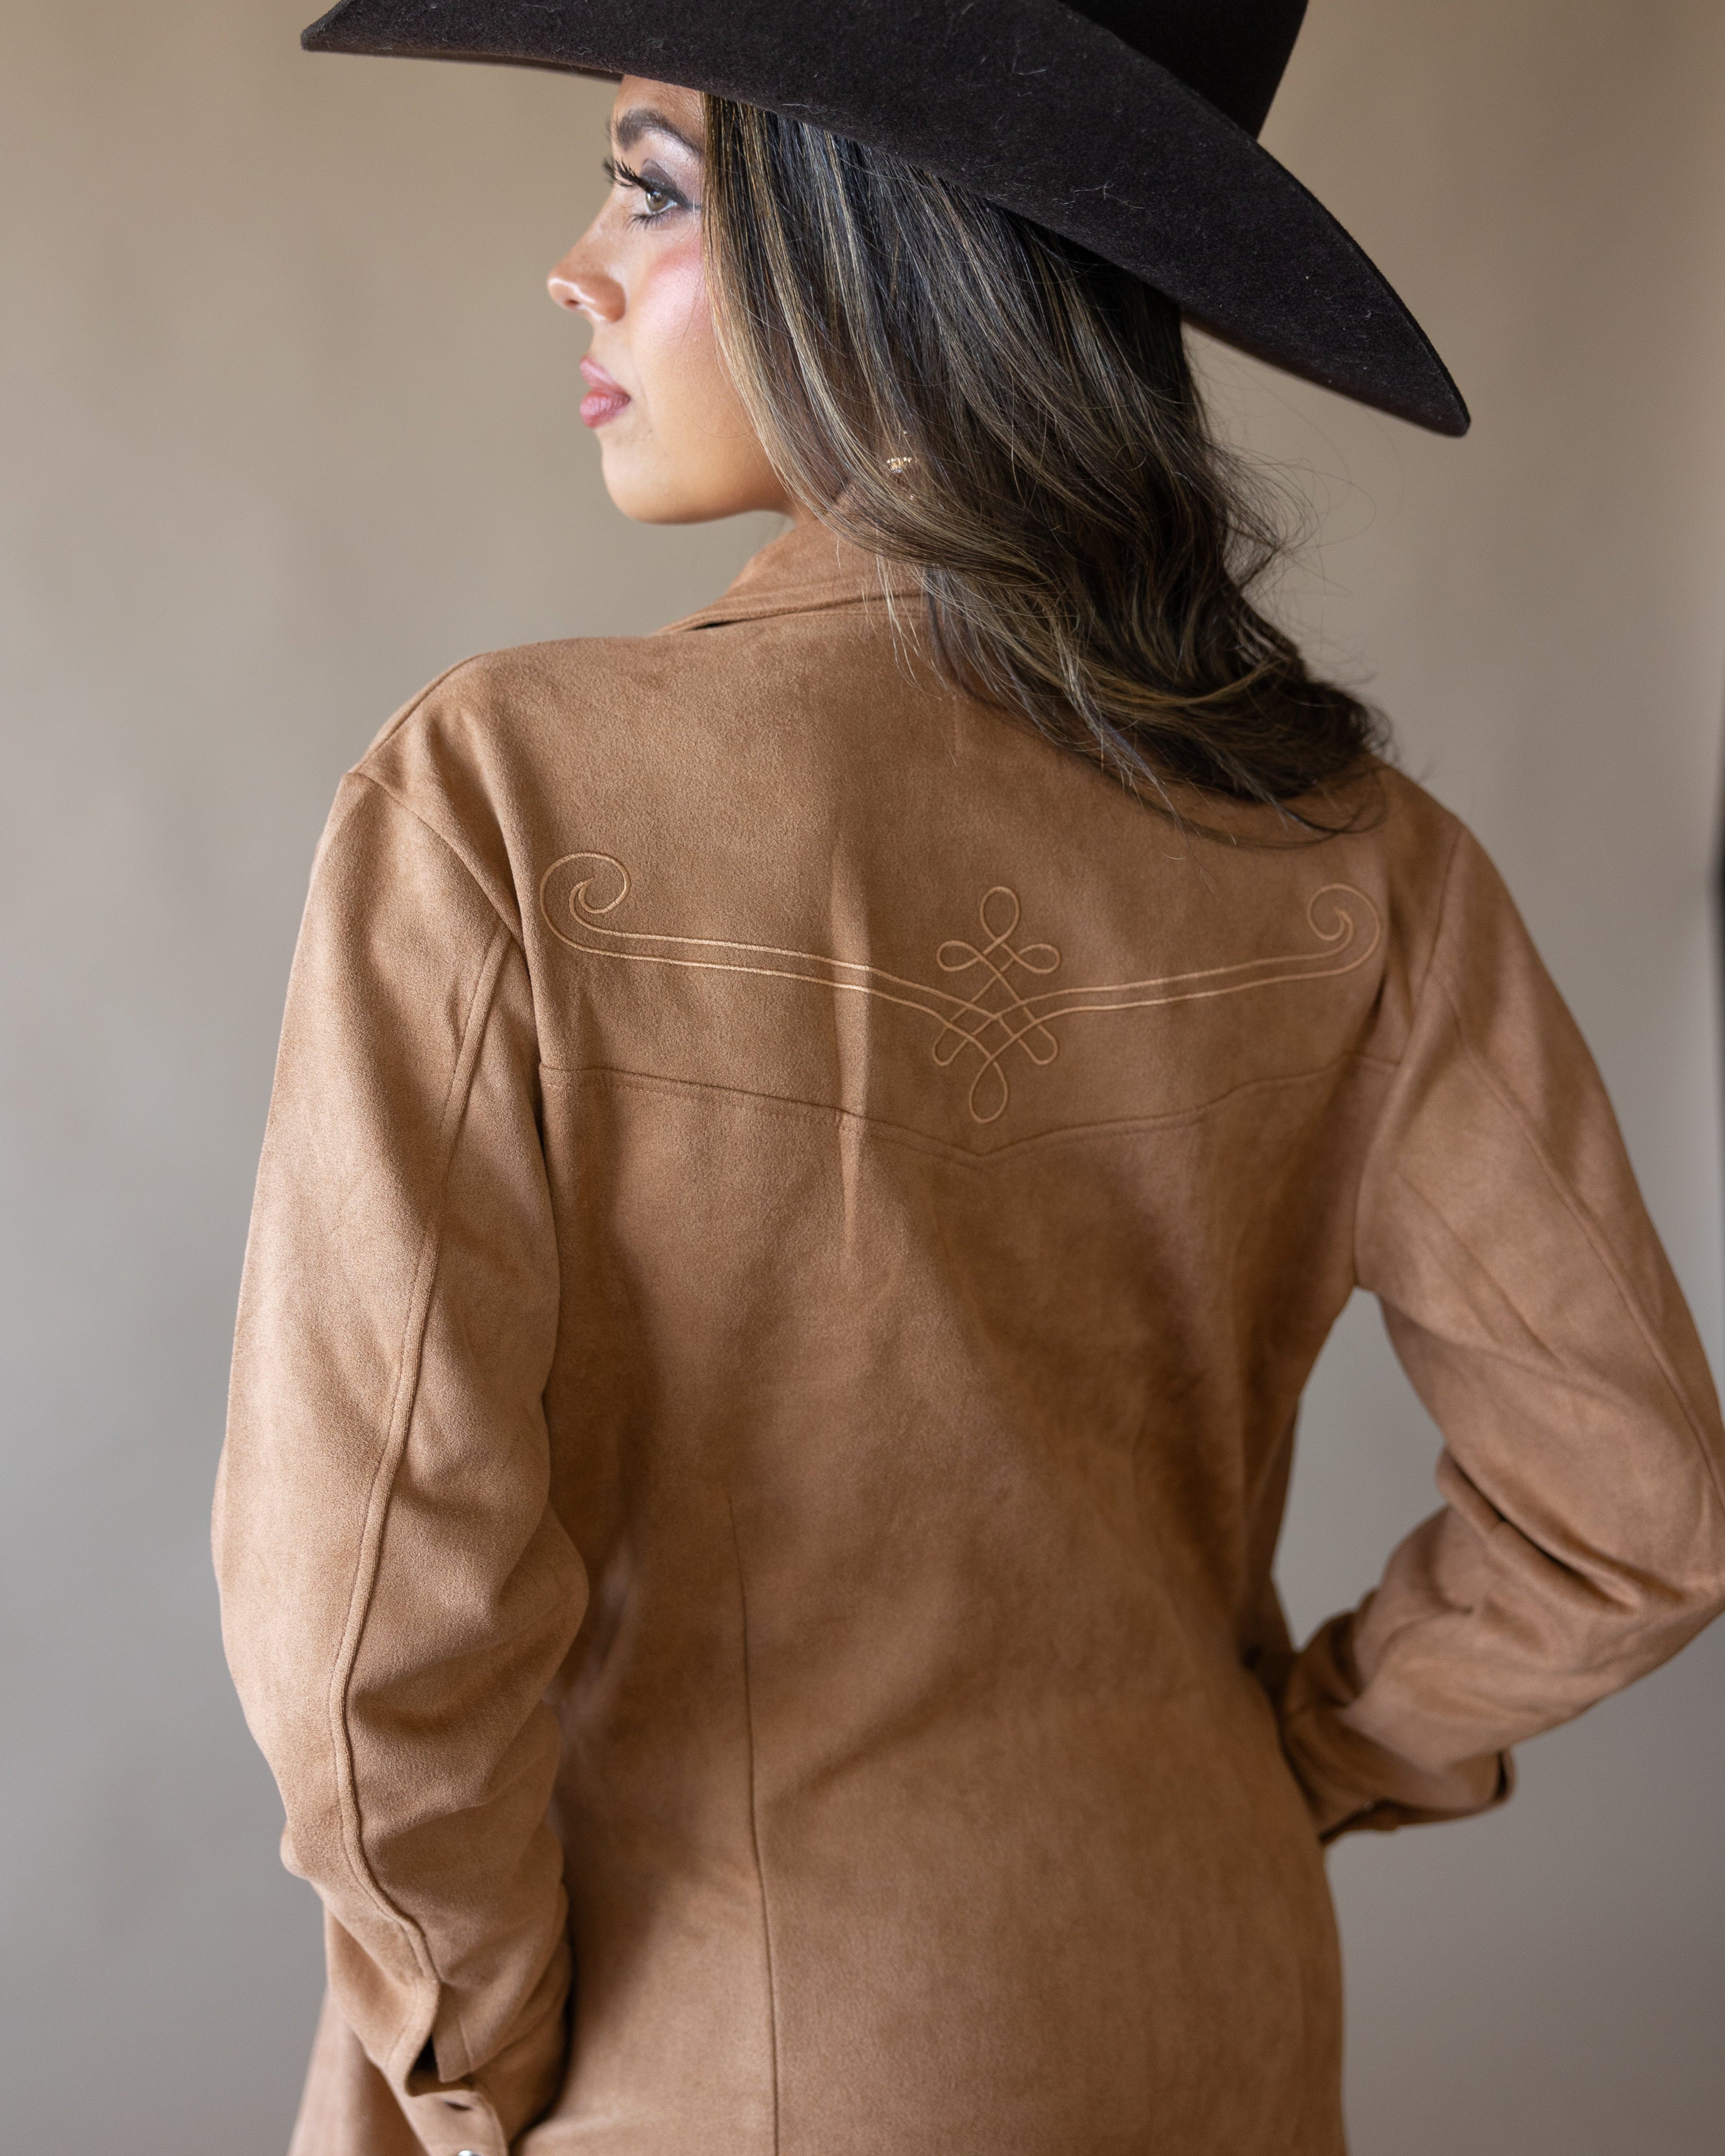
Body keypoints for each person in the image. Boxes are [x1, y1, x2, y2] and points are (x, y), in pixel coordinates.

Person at [215, 8, 1725, 2155]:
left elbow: (362, 1626)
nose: (576, 260)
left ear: (888, 236)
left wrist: (475, 2058)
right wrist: (1284, 1767)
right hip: (1212, 1998)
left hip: (719, 2043)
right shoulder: (1360, 857)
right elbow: (1637, 1507)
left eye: (649, 184)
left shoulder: (502, 793)